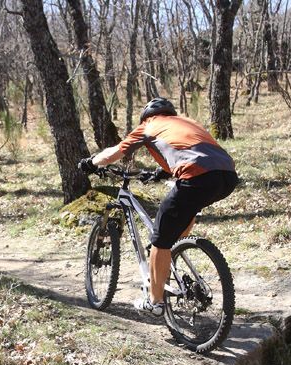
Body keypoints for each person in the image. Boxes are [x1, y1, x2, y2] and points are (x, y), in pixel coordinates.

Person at [78, 97, 239, 316]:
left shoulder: (148, 126)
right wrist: (161, 172)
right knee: (180, 218)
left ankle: (155, 303)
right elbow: (191, 149)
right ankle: (169, 253)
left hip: (197, 175)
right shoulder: (185, 122)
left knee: (160, 239)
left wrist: (90, 162)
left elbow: (115, 152)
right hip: (227, 176)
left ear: (147, 116)